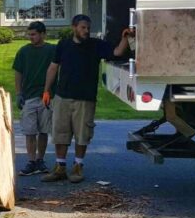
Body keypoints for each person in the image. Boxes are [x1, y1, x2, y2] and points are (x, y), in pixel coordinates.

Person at [41, 14, 133, 183]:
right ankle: (60, 167)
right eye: (83, 27)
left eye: (88, 28)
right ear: (74, 27)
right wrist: (47, 90)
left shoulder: (95, 45)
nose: (86, 31)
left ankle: (77, 167)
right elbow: (53, 67)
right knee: (60, 133)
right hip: (62, 97)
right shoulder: (63, 45)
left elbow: (117, 52)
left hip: (85, 98)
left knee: (82, 134)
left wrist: (126, 37)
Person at [13, 21, 57, 176]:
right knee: (30, 132)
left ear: (43, 34)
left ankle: (40, 160)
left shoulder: (52, 50)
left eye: (34, 34)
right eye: (29, 34)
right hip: (29, 97)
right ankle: (31, 161)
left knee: (44, 131)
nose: (30, 37)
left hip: (47, 96)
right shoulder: (24, 51)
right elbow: (18, 73)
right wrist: (19, 93)